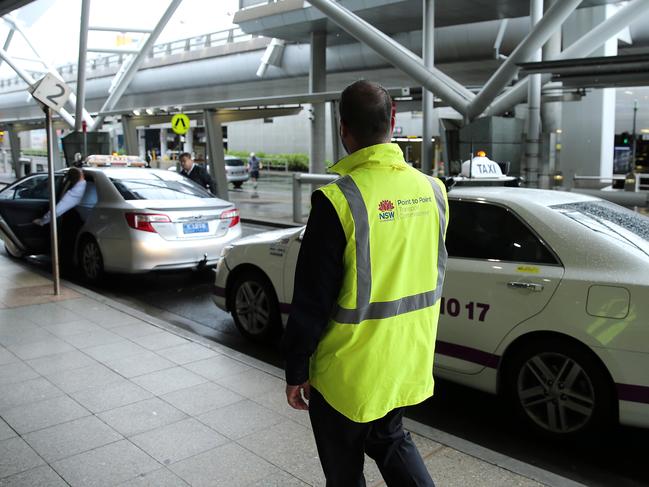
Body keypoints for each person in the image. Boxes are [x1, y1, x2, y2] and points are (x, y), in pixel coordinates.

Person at [282, 80, 449, 487]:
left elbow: (311, 301)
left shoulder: (337, 201)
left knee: (344, 472)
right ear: (393, 120)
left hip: (347, 372)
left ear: (343, 130)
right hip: (402, 361)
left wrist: (296, 369)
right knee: (391, 440)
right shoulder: (433, 190)